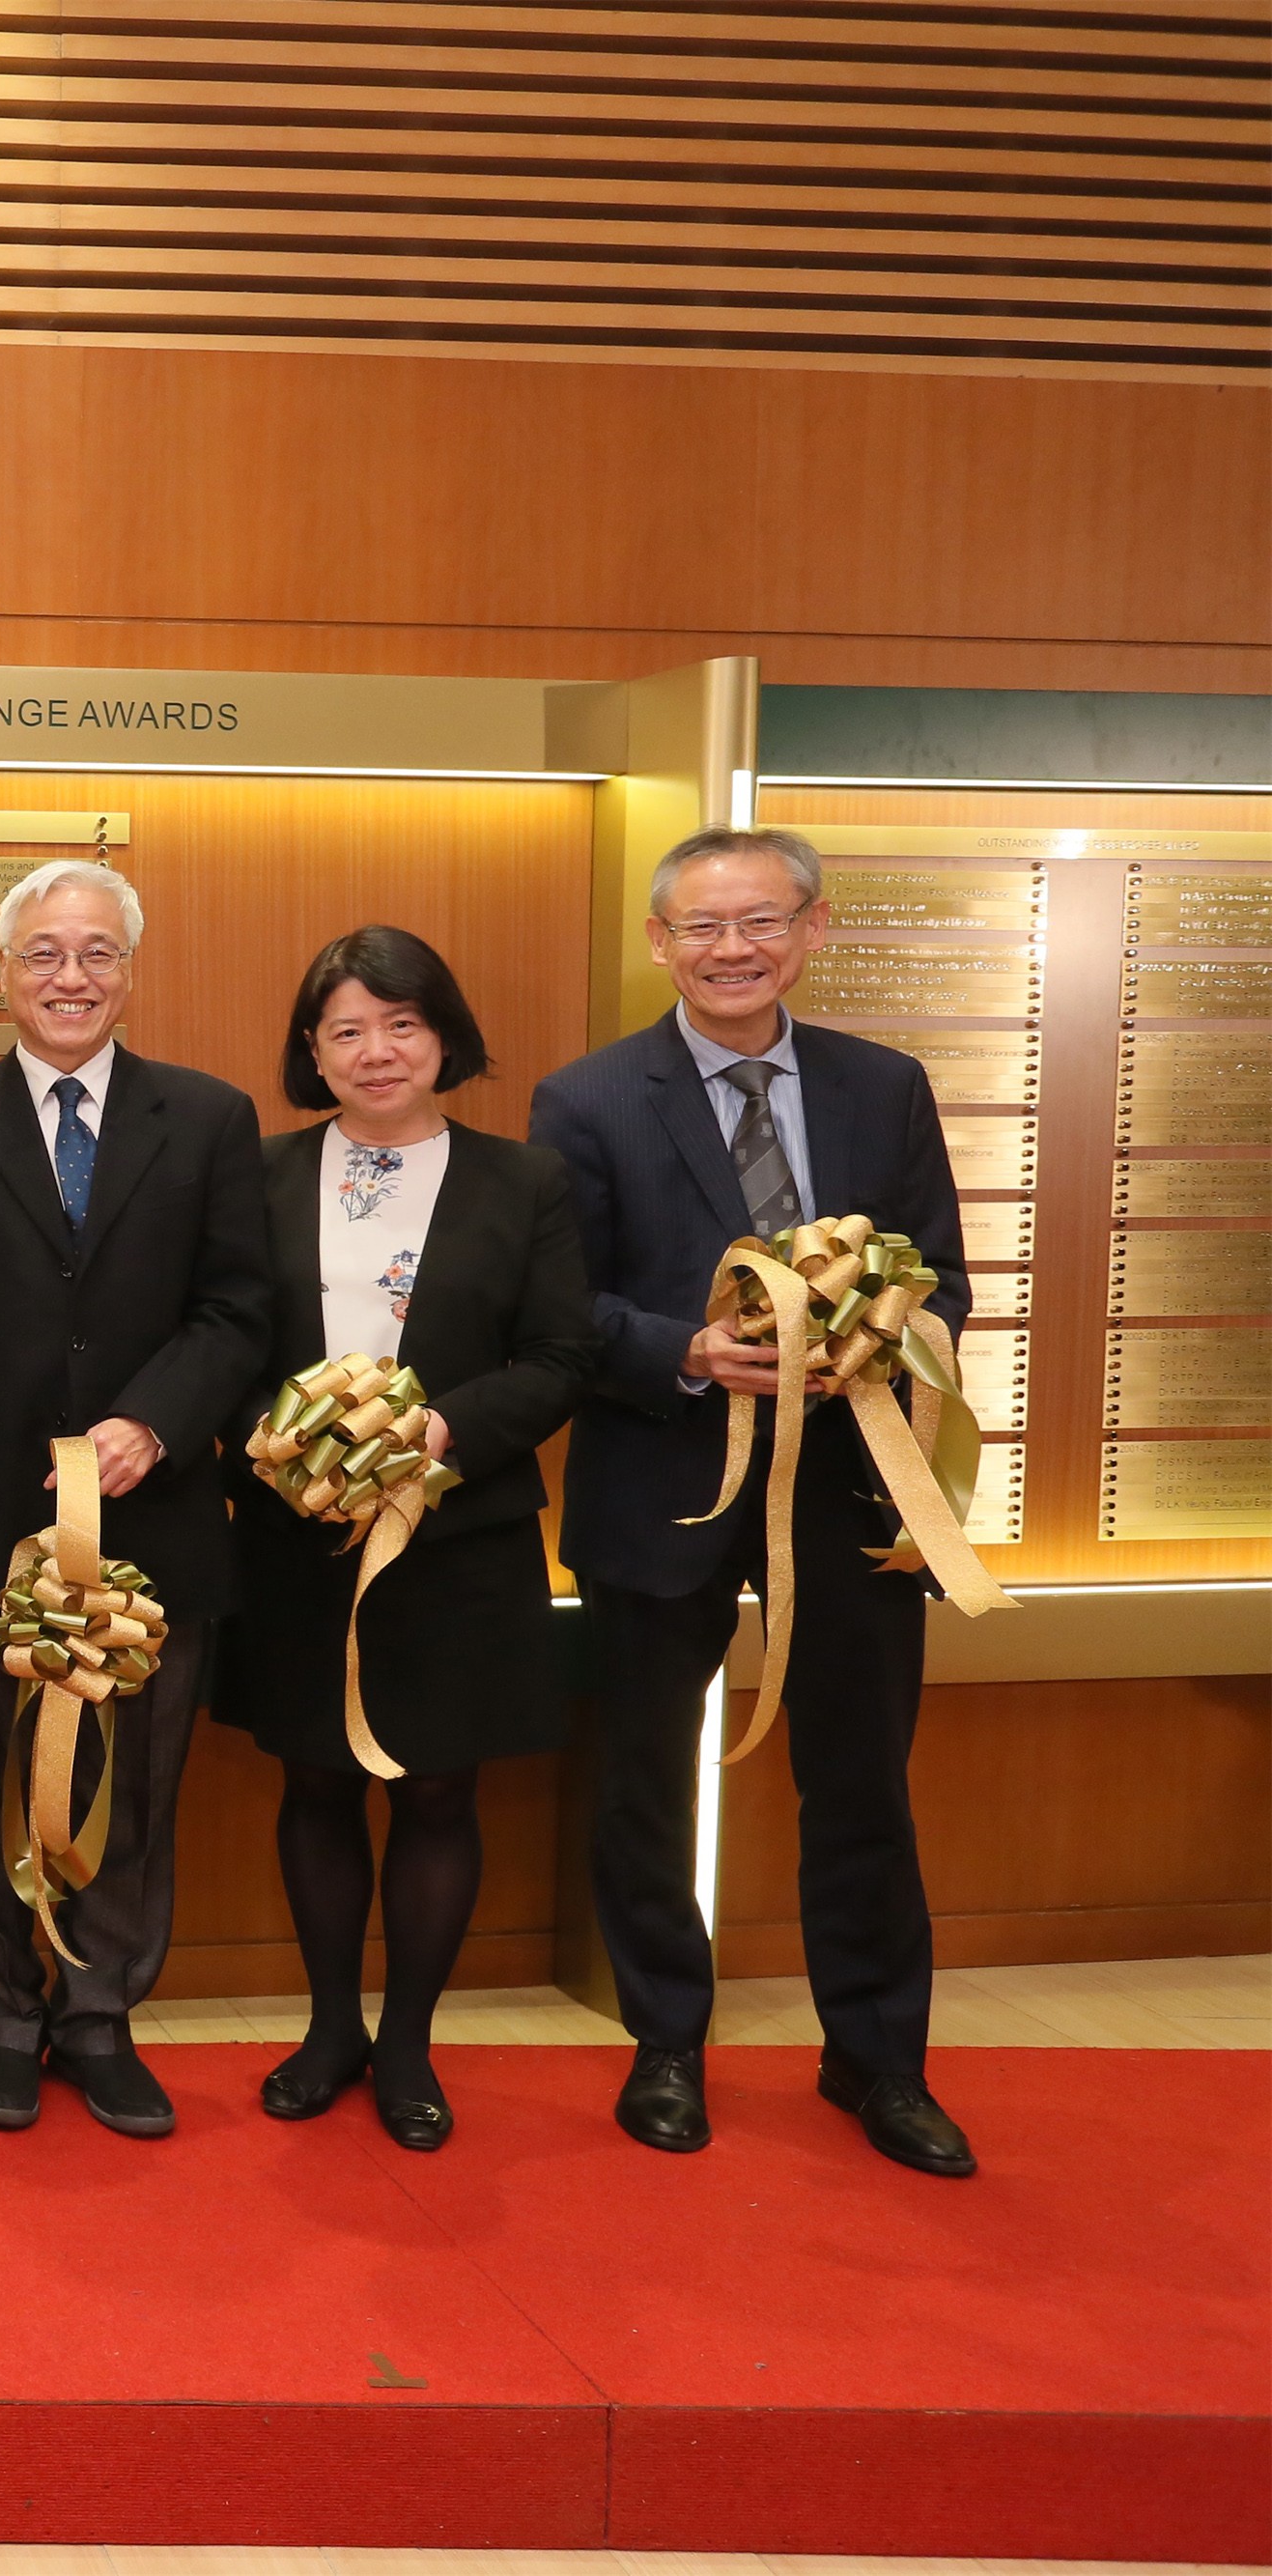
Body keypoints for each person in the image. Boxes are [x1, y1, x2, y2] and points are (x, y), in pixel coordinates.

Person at [530, 824, 977, 2177]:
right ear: (659, 941)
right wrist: (683, 1349)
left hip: (852, 1482)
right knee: (645, 1780)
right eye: (704, 926)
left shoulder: (883, 1086)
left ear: (813, 928)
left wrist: (877, 1344)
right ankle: (666, 2041)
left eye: (762, 921)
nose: (734, 948)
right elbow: (562, 1305)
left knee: (861, 1776)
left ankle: (878, 2057)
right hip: (660, 1477)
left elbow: (942, 1278)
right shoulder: (586, 1098)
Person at [0, 856, 269, 2141]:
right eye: (44, 952)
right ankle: (0, 2019)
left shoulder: (206, 1119)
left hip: (156, 1515)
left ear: (129, 970)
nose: (70, 976)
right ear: (4, 971)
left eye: (96, 951)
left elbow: (238, 1309)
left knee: (135, 1787)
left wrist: (154, 1422)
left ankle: (99, 2017)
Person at [217, 927, 594, 2152]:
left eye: (401, 1024)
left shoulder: (523, 1181)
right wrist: (284, 1444)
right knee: (314, 1778)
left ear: (444, 1038)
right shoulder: (257, 1174)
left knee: (437, 1788)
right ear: (311, 1049)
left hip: (456, 1532)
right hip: (297, 1531)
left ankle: (410, 2043)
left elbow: (559, 1356)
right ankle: (331, 2028)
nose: (375, 1051)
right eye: (346, 1030)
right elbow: (218, 1333)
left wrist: (432, 1433)